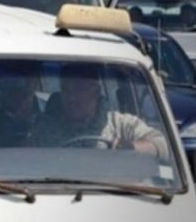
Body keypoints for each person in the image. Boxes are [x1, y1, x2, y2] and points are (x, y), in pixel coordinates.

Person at [29, 64, 168, 158]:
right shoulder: (44, 130)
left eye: (79, 89)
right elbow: (27, 163)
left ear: (96, 92)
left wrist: (131, 148)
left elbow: (164, 146)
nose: (71, 97)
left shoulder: (119, 124)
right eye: (66, 90)